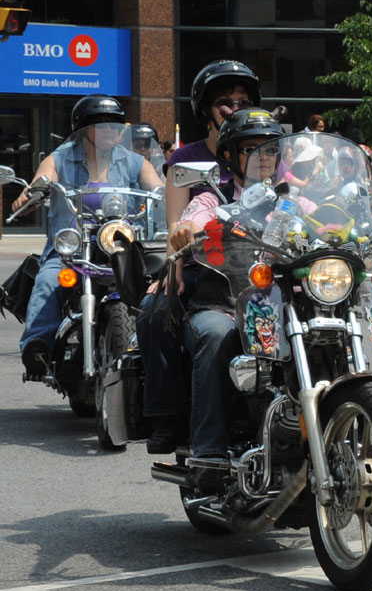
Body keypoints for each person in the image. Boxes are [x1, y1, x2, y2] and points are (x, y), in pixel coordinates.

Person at [138, 60, 261, 453]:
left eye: (242, 100)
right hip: (201, 265)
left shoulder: (271, 157)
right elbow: (179, 222)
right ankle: (166, 416)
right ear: (206, 109)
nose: (234, 107)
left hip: (263, 271)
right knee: (154, 309)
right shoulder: (188, 160)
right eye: (225, 101)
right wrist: (172, 263)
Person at [165, 107, 285, 486]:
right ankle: (209, 452)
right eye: (252, 149)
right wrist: (184, 230)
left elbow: (331, 222)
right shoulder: (213, 198)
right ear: (231, 155)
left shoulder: (291, 200)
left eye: (269, 150)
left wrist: (364, 238)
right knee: (217, 335)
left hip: (283, 307)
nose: (263, 158)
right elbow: (192, 219)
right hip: (222, 304)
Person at [12, 96, 164, 380]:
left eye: (117, 126)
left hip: (119, 244)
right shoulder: (59, 158)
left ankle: (160, 358)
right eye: (103, 126)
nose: (112, 132)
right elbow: (40, 182)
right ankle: (37, 347)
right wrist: (29, 195)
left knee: (157, 286)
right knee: (48, 281)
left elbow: (159, 189)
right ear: (83, 129)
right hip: (73, 245)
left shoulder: (135, 162)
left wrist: (169, 196)